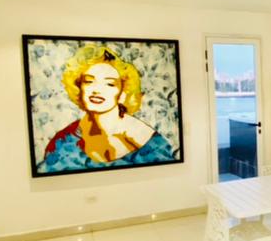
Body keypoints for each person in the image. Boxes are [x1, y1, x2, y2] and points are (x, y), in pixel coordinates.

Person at [38, 46, 175, 173]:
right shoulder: (62, 141)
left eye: (109, 84)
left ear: (123, 94)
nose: (97, 90)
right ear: (79, 88)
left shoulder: (148, 142)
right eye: (89, 81)